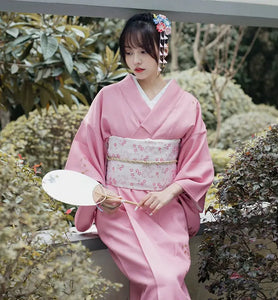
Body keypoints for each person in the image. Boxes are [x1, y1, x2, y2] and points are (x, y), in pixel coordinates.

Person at [65, 12, 214, 300]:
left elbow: (198, 162)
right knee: (159, 280)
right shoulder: (107, 97)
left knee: (165, 277)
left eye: (144, 51)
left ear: (163, 49)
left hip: (165, 207)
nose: (136, 61)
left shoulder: (187, 104)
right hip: (119, 207)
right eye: (129, 52)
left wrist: (169, 192)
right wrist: (99, 193)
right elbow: (85, 152)